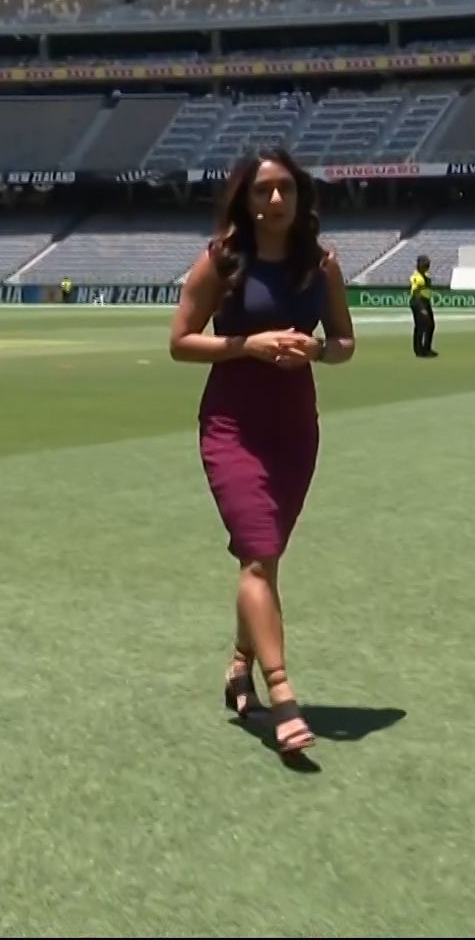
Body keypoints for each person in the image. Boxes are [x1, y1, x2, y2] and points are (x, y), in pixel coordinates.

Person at [168, 146, 356, 758]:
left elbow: (345, 342)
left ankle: (238, 666)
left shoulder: (321, 265)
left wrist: (316, 350)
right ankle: (283, 694)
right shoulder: (222, 261)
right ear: (244, 200)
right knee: (258, 553)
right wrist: (247, 345)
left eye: (286, 189)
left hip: (294, 429)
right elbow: (180, 342)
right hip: (233, 425)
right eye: (262, 190)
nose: (276, 200)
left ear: (301, 196)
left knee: (264, 562)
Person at [409, 254, 438, 358]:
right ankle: (419, 351)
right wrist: (422, 308)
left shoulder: (425, 276)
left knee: (430, 325)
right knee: (421, 326)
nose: (427, 266)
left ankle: (426, 348)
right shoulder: (416, 277)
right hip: (418, 302)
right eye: (425, 264)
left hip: (425, 301)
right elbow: (416, 292)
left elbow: (426, 291)